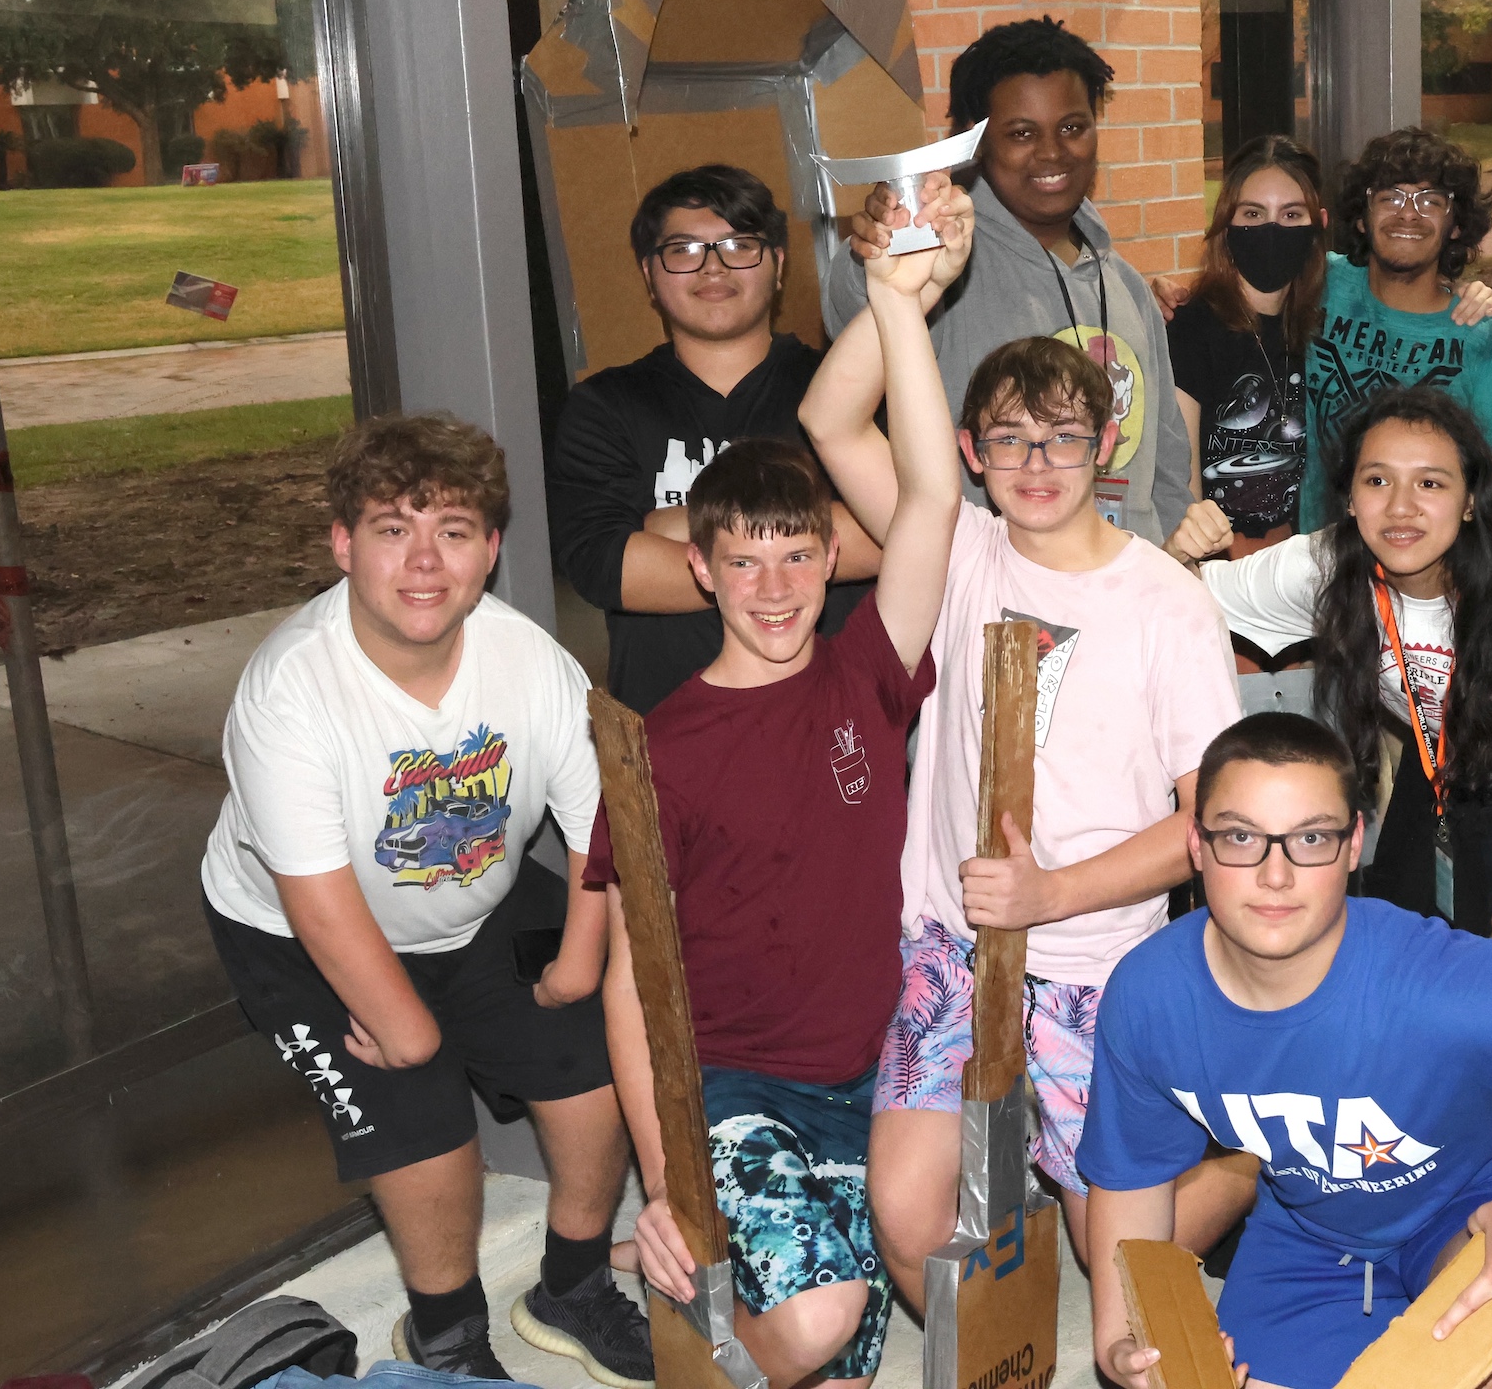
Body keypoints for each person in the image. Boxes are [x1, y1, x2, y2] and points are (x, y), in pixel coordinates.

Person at [588, 187, 971, 1388]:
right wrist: (668, 1186)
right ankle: (696, 1354)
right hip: (739, 1095)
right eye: (740, 559)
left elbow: (933, 499)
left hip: (877, 1082)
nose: (771, 584)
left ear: (829, 559)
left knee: (847, 1368)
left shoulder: (868, 677)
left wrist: (900, 301)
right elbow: (628, 982)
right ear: (696, 568)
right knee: (811, 1325)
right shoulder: (659, 747)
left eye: (797, 553)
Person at [800, 325, 1254, 1305]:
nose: (1036, 464)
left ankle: (1234, 1168)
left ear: (1106, 440)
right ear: (970, 452)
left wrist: (1050, 893)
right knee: (911, 1215)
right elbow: (831, 420)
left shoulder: (1168, 604)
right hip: (948, 955)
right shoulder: (956, 550)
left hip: (1096, 965)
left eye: (1061, 436)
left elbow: (1210, 825)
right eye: (1008, 440)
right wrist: (899, 286)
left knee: (1126, 1266)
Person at [1079, 712, 1492, 1389]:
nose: (1274, 875)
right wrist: (1118, 1338)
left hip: (1478, 1199)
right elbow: (1131, 1178)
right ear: (1197, 844)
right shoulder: (1150, 996)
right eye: (1241, 837)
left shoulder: (1440, 980)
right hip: (1313, 1226)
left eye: (1310, 838)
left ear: (1354, 842)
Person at [199, 414, 648, 1383]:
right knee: (422, 1110)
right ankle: (445, 1333)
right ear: (341, 543)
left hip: (471, 905)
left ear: (491, 547)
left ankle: (571, 1284)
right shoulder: (291, 691)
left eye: (451, 529)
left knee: (598, 1054)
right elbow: (318, 902)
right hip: (297, 929)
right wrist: (406, 1029)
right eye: (391, 528)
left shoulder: (529, 660)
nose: (423, 560)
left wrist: (578, 959)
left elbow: (596, 827)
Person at [1163, 387, 1492, 999]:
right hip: (1445, 769)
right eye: (1377, 481)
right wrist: (1179, 553)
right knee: (1407, 966)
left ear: (1471, 501)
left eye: (1430, 484)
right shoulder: (1325, 564)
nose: (1400, 509)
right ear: (1350, 496)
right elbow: (1177, 596)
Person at [827, 15, 1193, 542]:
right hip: (990, 598)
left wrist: (1168, 571)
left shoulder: (1129, 286)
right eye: (1021, 133)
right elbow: (851, 308)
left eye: (1072, 127)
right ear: (970, 144)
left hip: (1120, 595)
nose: (1051, 153)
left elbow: (1164, 468)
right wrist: (881, 249)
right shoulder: (935, 267)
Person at [548, 165, 880, 715]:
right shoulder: (605, 406)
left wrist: (671, 525)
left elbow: (890, 536)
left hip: (837, 724)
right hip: (670, 734)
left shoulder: (841, 389)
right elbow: (608, 568)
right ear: (649, 276)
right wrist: (808, 531)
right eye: (683, 251)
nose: (713, 267)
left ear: (777, 265)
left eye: (739, 245)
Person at [1297, 126, 1492, 534]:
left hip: (1427, 576)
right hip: (1313, 564)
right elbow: (1234, 291)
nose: (1408, 213)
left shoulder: (1487, 339)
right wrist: (1165, 298)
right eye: (1390, 197)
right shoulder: (1320, 281)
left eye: (1430, 201)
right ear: (1363, 219)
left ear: (1456, 225)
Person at [1167, 135, 1330, 555]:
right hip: (1221, 569)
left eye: (1291, 214)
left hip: (1308, 562)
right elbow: (1182, 489)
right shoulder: (1191, 327)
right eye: (1253, 213)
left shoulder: (1325, 323)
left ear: (1318, 225)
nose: (1271, 230)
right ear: (1227, 223)